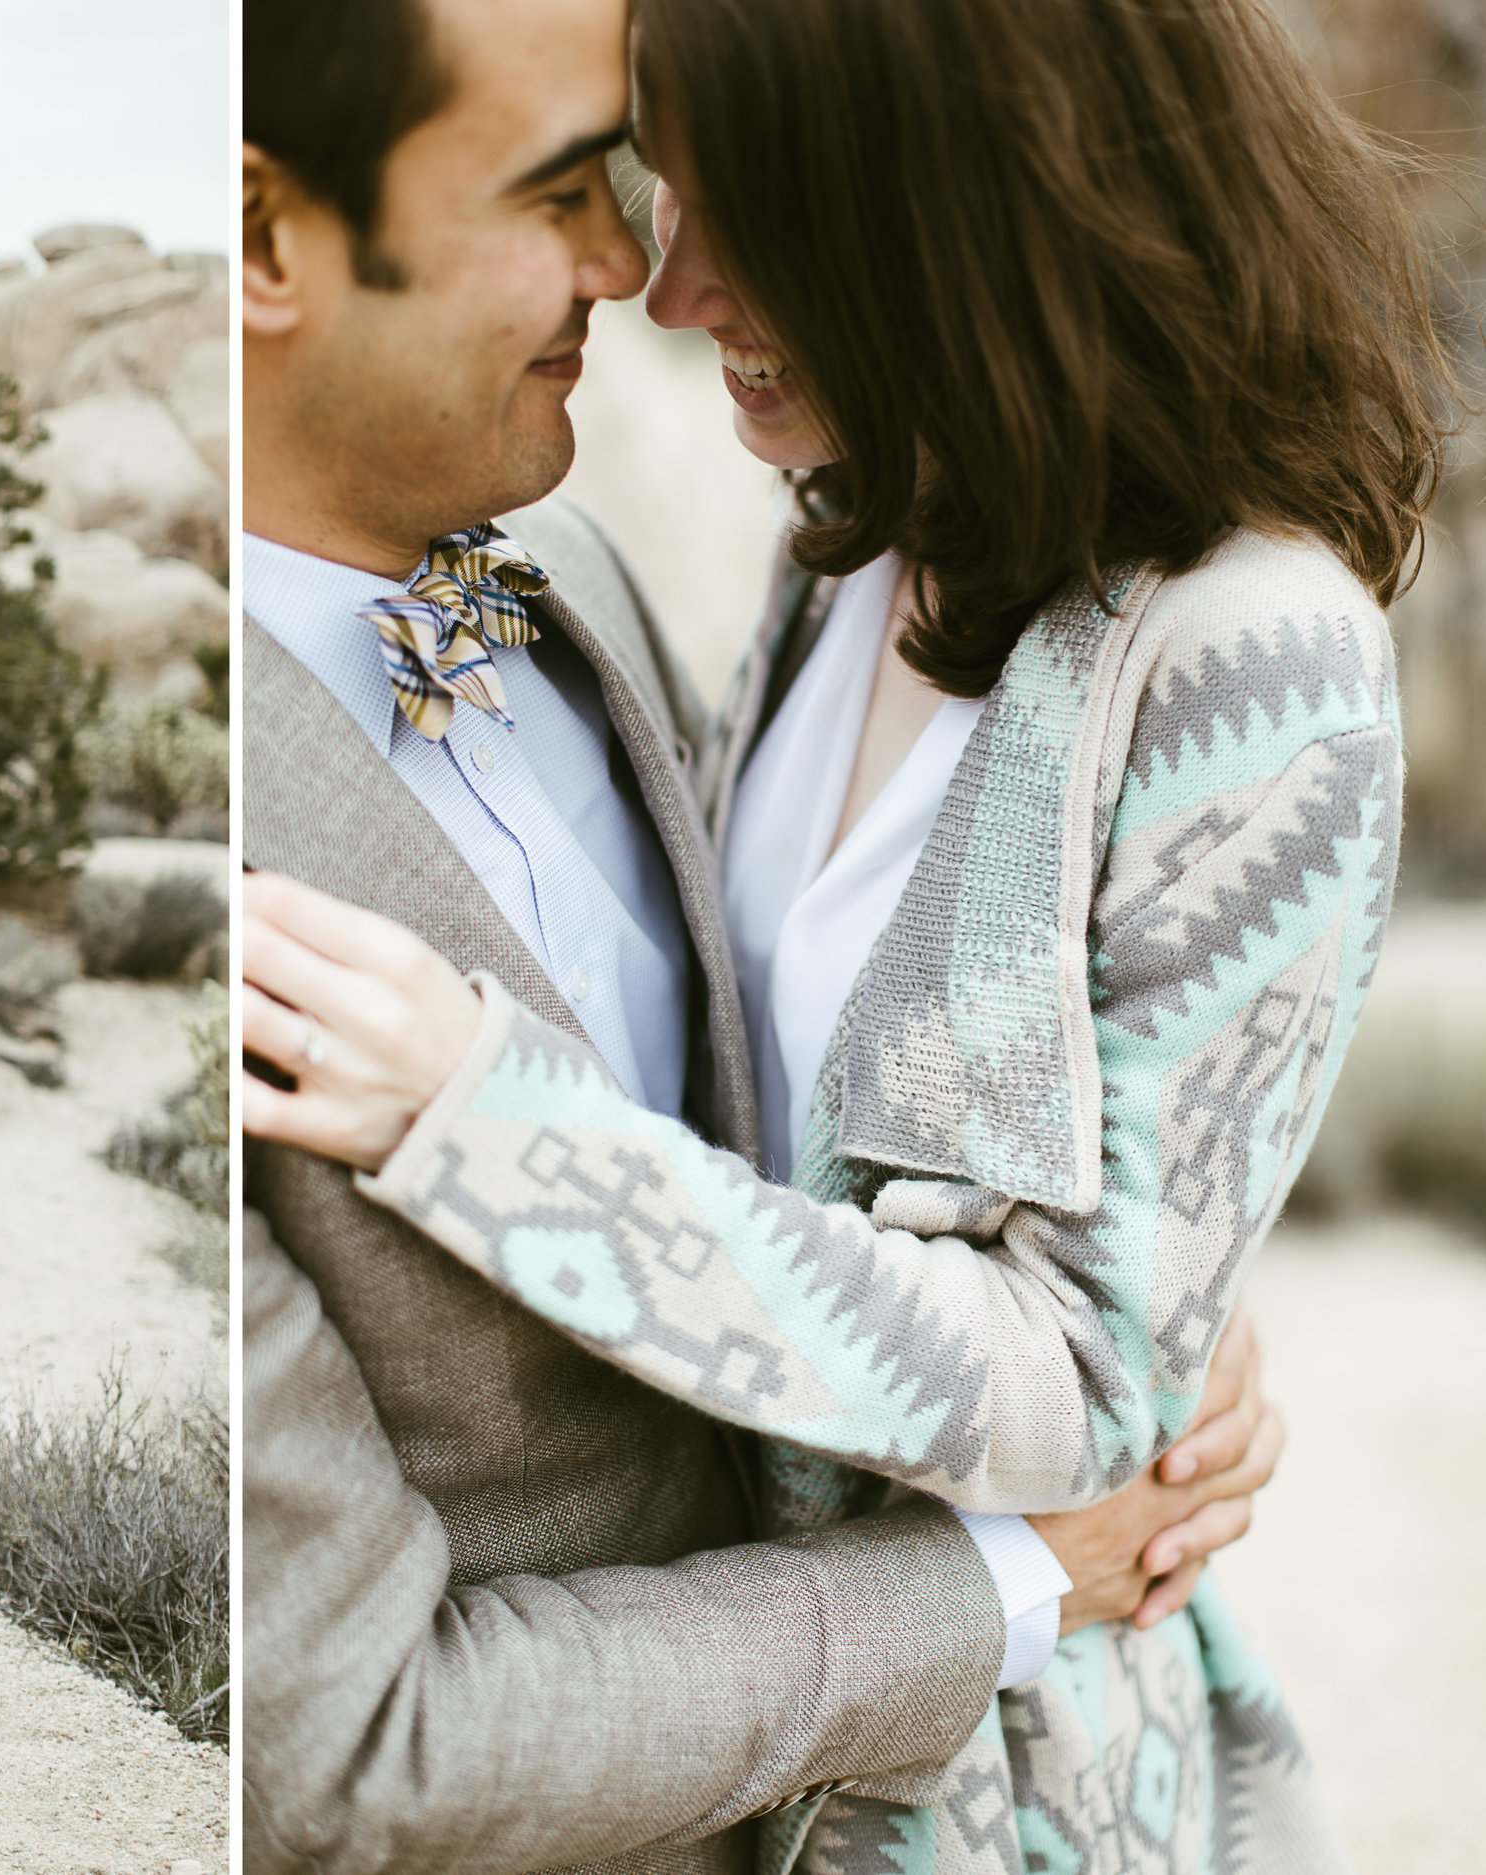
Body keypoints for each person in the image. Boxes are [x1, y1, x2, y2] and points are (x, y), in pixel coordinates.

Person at [242, 0, 1448, 1867]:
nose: (666, 282)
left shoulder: (1256, 658)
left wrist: (498, 1130)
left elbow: (1073, 1363)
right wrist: (1140, 1281)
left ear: (949, 209)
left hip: (996, 1791)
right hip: (723, 1734)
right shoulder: (857, 545)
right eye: (648, 187)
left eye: (748, 215)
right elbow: (824, 1119)